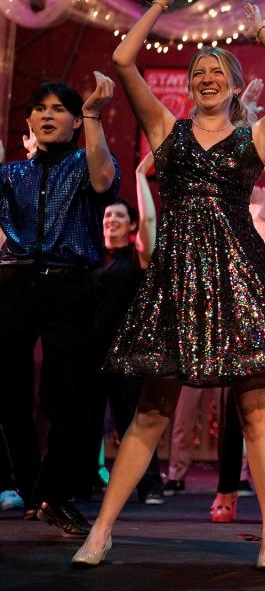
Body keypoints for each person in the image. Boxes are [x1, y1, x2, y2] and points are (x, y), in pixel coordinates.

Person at [71, 0, 265, 569]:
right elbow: (126, 59)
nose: (206, 78)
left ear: (235, 87)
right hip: (178, 277)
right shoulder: (165, 128)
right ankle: (102, 530)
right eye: (197, 73)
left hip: (239, 278)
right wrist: (158, 2)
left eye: (217, 73)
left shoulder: (256, 137)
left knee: (256, 403)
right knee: (153, 406)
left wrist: (263, 32)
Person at [0, 75, 120, 537]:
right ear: (29, 120)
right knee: (9, 394)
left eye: (59, 109)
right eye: (40, 108)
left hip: (69, 288)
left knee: (67, 400)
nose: (48, 115)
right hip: (13, 286)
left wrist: (93, 114)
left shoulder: (84, 165)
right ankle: (34, 492)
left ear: (73, 121)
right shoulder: (11, 174)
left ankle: (53, 493)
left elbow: (105, 179)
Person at [86, 154, 163, 506]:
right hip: (91, 350)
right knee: (85, 418)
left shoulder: (136, 259)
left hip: (126, 353)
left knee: (130, 418)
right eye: (107, 216)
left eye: (119, 216)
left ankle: (150, 485)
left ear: (130, 226)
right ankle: (84, 481)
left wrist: (138, 176)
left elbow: (149, 218)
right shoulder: (90, 258)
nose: (111, 220)